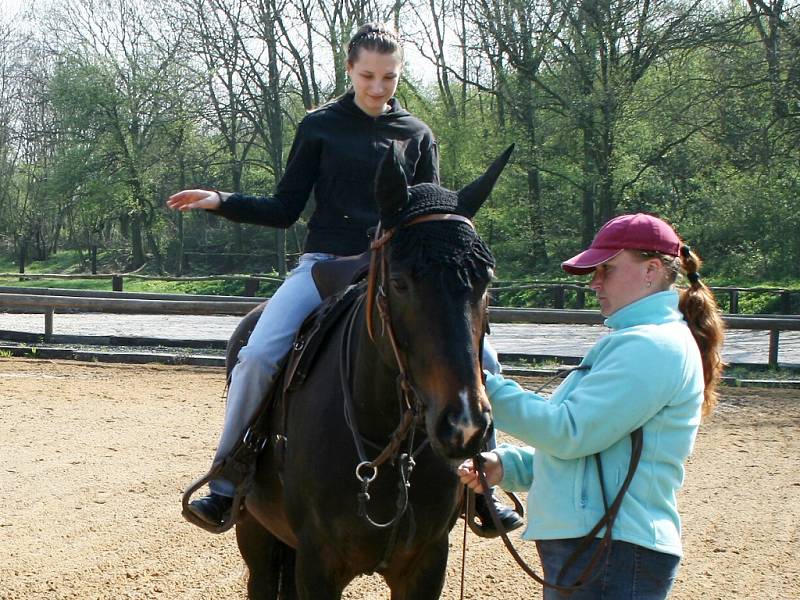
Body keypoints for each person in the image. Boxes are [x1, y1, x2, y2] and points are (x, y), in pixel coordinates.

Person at [168, 22, 520, 533]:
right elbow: (287, 207)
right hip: (326, 265)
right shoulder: (319, 126)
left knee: (484, 360)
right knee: (258, 355)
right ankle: (229, 476)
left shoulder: (417, 134)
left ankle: (482, 485)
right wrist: (222, 201)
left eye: (389, 77)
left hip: (396, 271)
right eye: (368, 76)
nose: (378, 88)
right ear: (350, 69)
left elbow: (431, 217)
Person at [458, 213, 725, 599]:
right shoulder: (642, 341)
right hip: (603, 546)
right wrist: (510, 466)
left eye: (607, 269)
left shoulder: (652, 345)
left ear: (651, 271)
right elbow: (592, 452)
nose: (595, 283)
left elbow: (571, 434)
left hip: (611, 550)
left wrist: (482, 385)